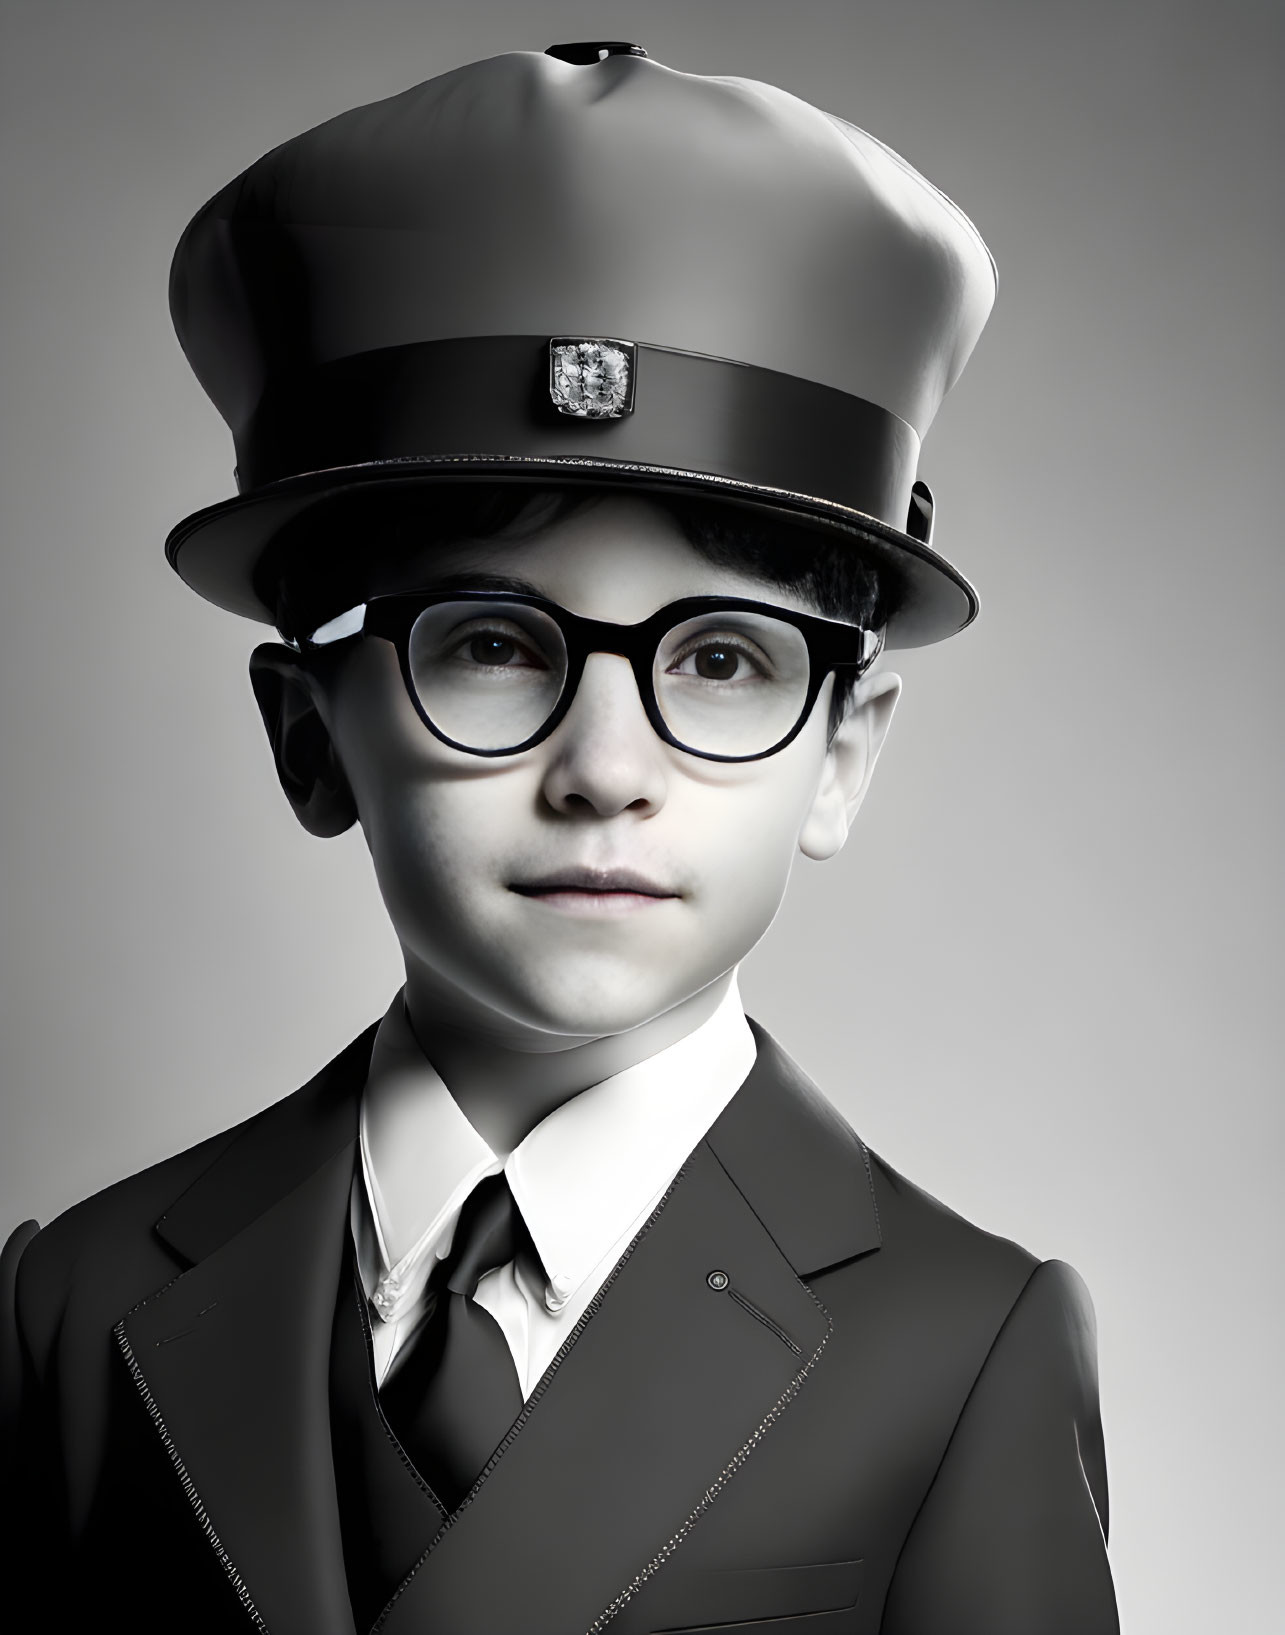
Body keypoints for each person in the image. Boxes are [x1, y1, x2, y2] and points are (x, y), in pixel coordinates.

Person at [0, 40, 1120, 1634]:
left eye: (723, 660)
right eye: (493, 645)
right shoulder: (82, 1300)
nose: (606, 770)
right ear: (311, 736)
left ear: (838, 757)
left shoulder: (960, 1347)